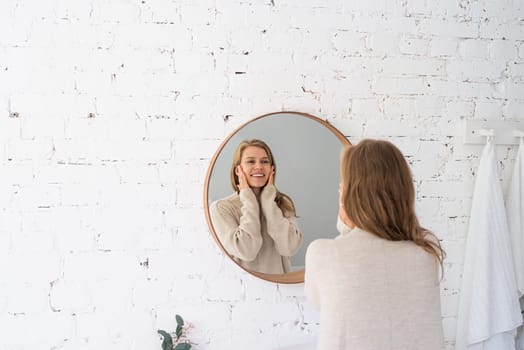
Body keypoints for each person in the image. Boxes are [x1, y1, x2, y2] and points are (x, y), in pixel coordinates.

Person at [305, 139, 445, 350]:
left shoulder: (324, 253)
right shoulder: (426, 249)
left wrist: (346, 221)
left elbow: (319, 302)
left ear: (351, 192)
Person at [210, 139, 303, 274]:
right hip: (243, 289)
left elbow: (289, 248)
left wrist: (268, 202)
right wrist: (249, 200)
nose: (259, 166)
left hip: (281, 289)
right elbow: (246, 250)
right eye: (251, 161)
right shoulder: (222, 208)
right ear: (238, 170)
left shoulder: (283, 203)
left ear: (272, 169)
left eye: (265, 161)